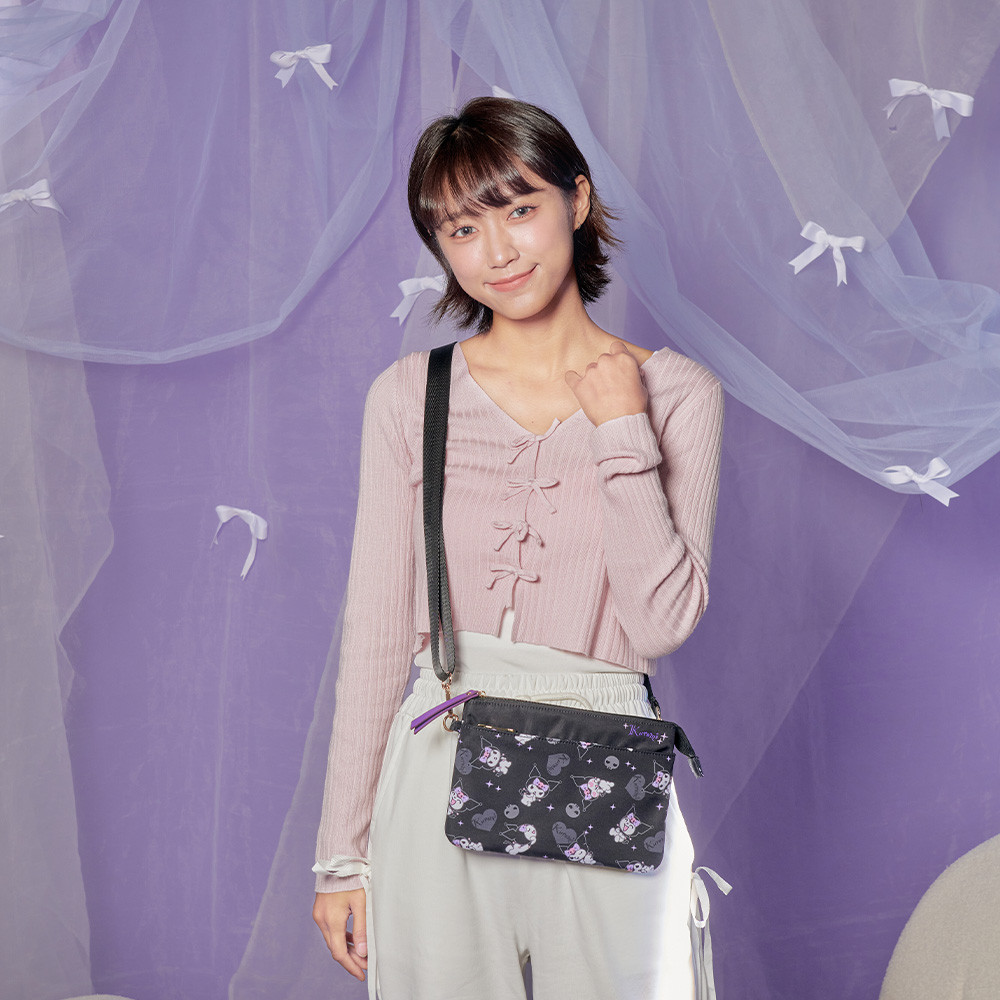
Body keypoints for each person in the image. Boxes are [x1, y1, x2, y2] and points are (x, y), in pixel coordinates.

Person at [312, 96, 724, 999]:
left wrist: (621, 429)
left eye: (519, 208)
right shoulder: (409, 396)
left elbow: (660, 624)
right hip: (439, 758)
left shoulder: (677, 393)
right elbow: (376, 635)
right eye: (462, 228)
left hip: (608, 758)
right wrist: (343, 855)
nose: (496, 251)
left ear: (577, 200)